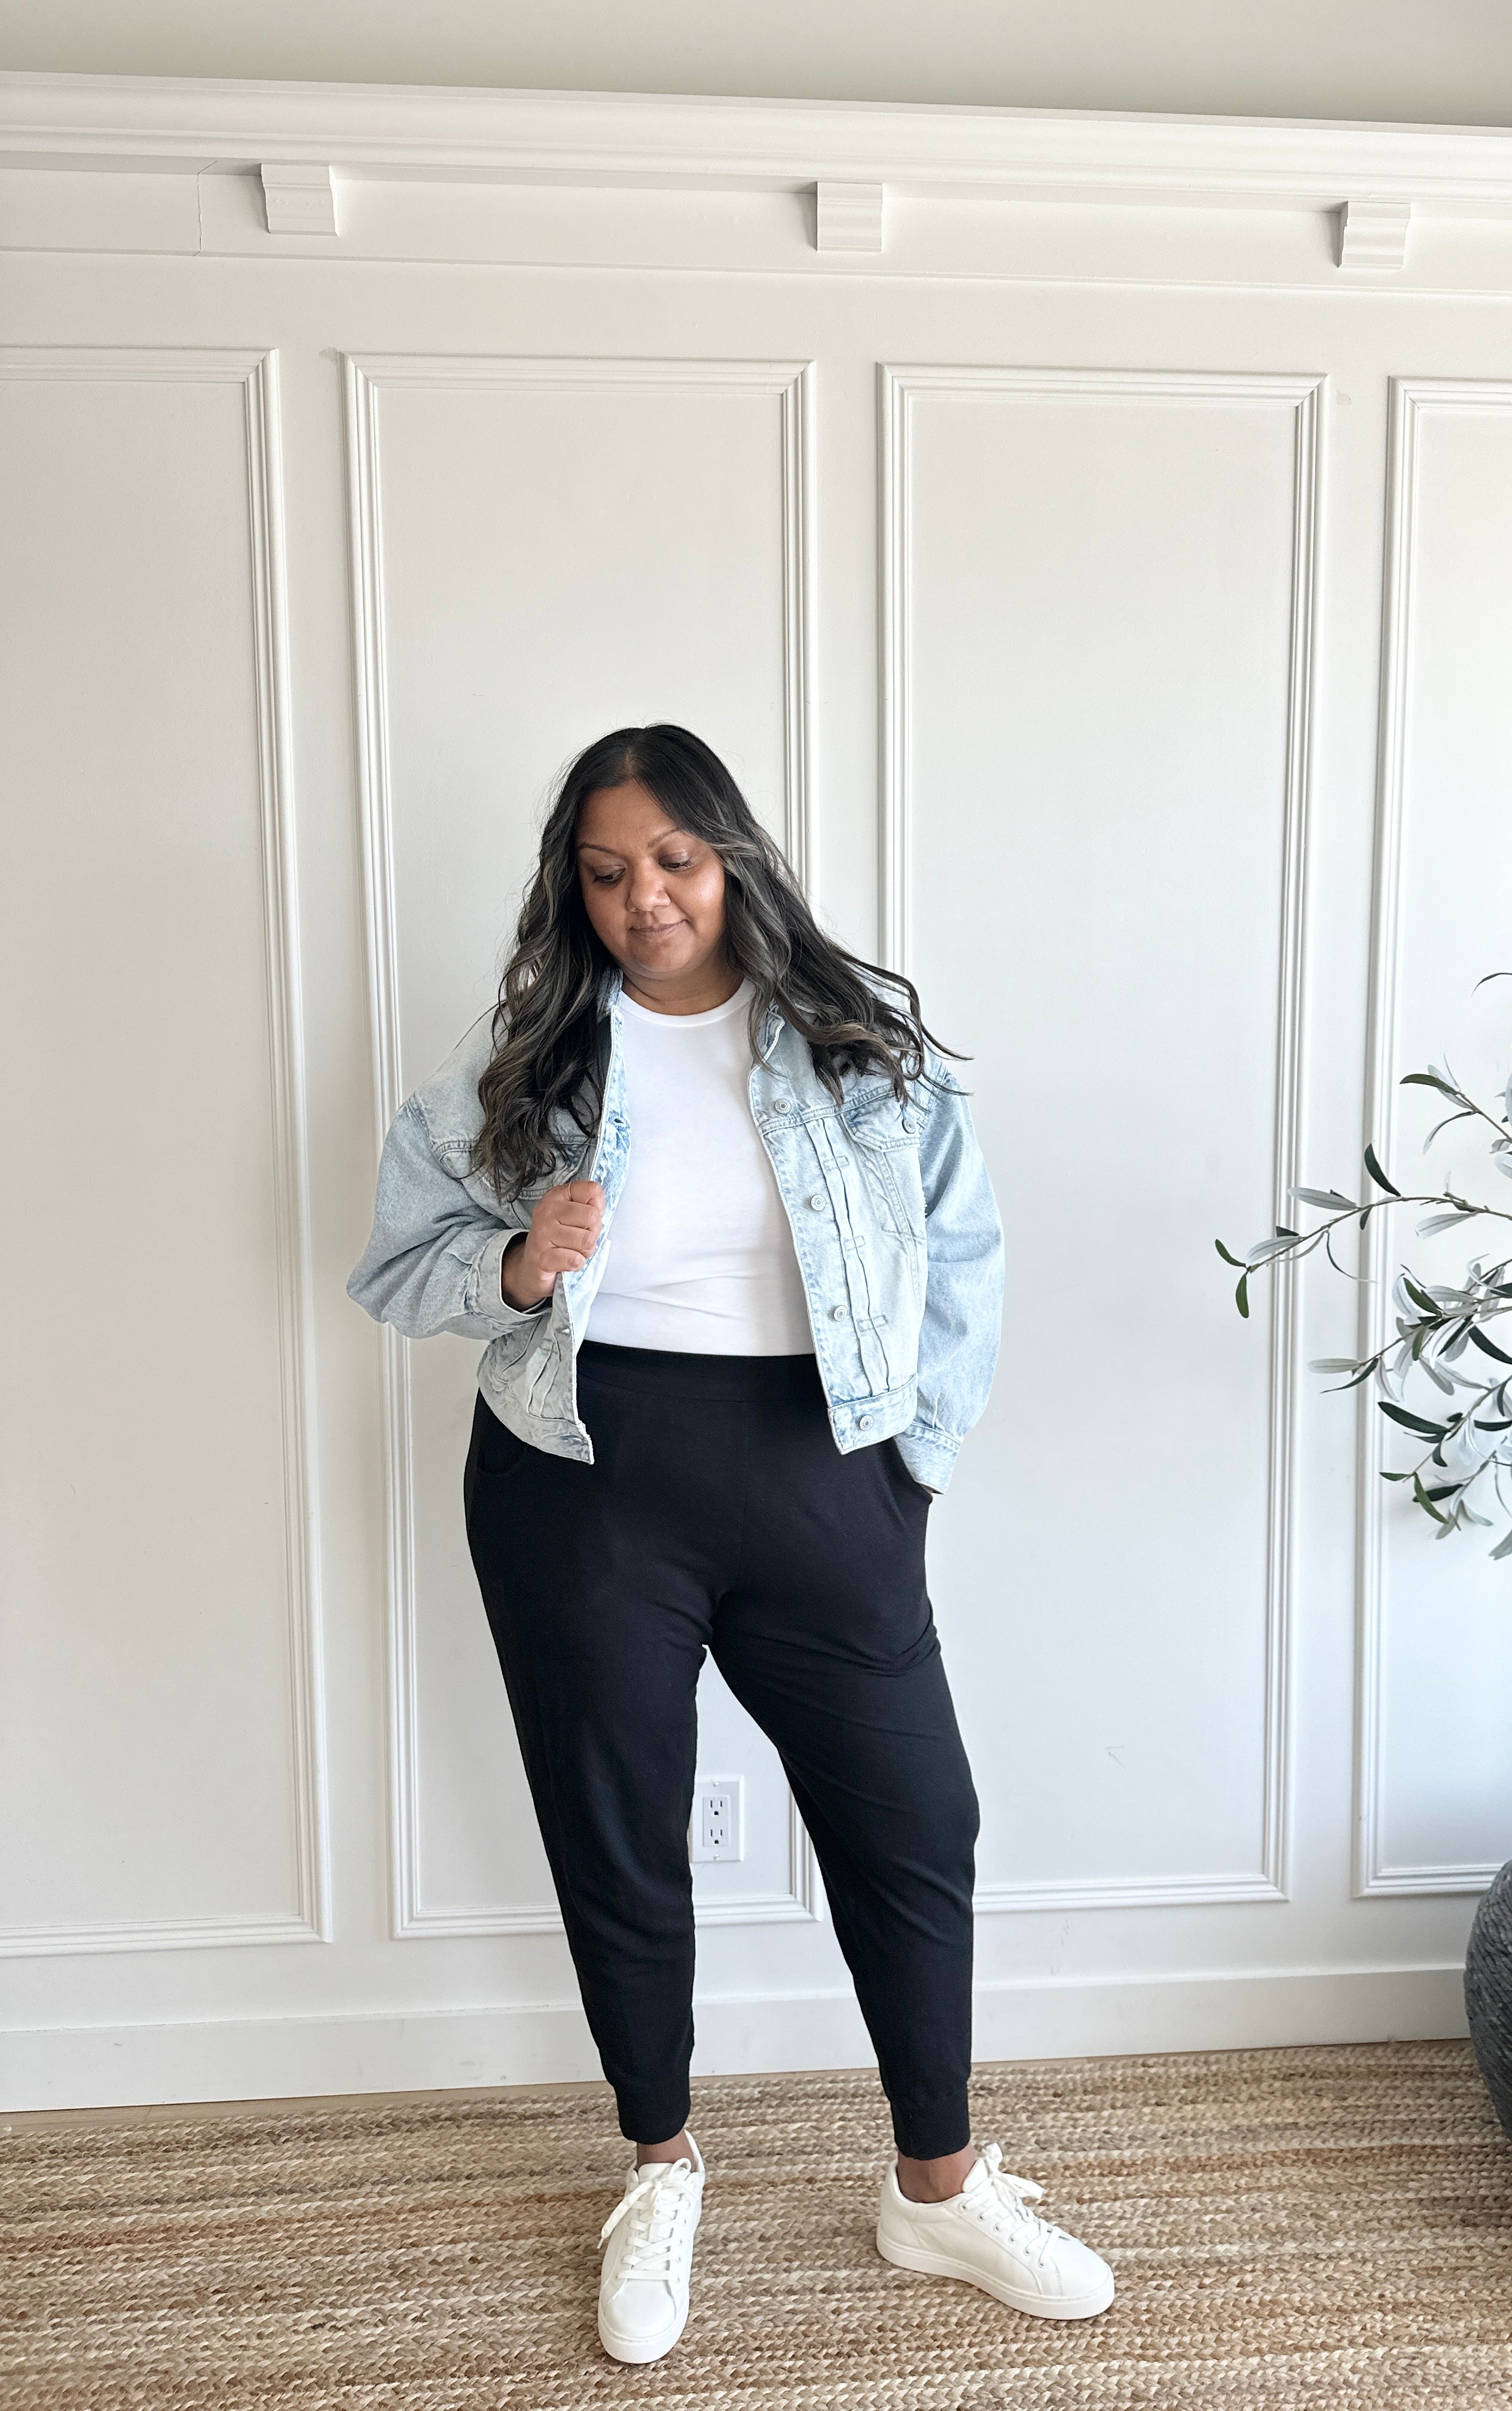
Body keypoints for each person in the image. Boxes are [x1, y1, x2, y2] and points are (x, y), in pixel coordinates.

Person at [346, 724, 1114, 2362]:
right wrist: (517, 1267)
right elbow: (394, 1272)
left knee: (915, 1821)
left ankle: (936, 2184)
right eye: (609, 872)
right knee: (619, 1824)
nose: (645, 900)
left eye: (675, 863)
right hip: (583, 1478)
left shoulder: (854, 1049)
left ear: (734, 860)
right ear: (578, 886)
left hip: (824, 1475)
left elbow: (962, 1250)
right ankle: (661, 2162)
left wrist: (921, 1465)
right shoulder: (522, 1082)